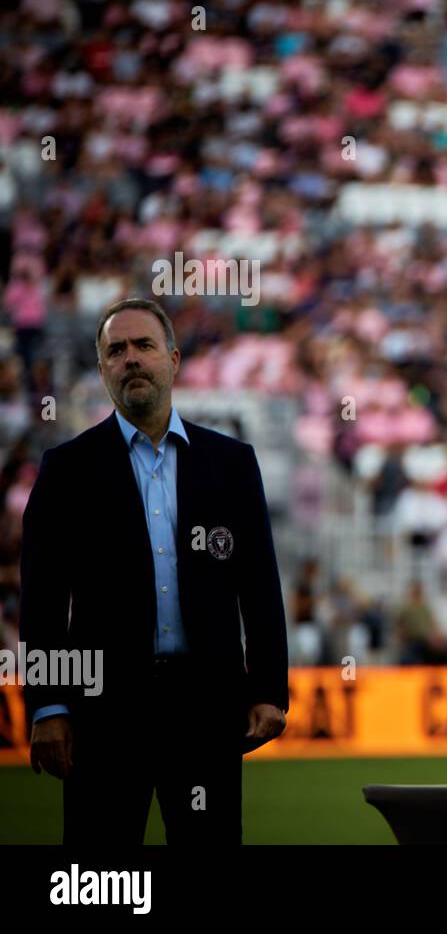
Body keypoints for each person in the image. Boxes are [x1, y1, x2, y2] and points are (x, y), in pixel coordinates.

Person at [20, 298, 289, 844]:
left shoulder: (231, 464)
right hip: (104, 716)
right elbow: (42, 601)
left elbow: (259, 587)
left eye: (143, 346)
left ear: (173, 359)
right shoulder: (67, 469)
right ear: (102, 370)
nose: (131, 359)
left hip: (206, 710)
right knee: (99, 883)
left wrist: (268, 688)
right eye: (115, 351)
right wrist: (49, 704)